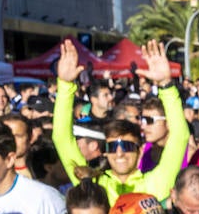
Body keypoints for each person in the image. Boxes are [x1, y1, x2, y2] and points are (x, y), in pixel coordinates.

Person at [52, 40, 190, 204]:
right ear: (105, 152)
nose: (119, 153)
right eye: (112, 147)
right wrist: (66, 86)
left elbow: (180, 136)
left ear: (139, 151)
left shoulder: (155, 184)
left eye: (127, 146)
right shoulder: (93, 185)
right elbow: (61, 138)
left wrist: (166, 85)